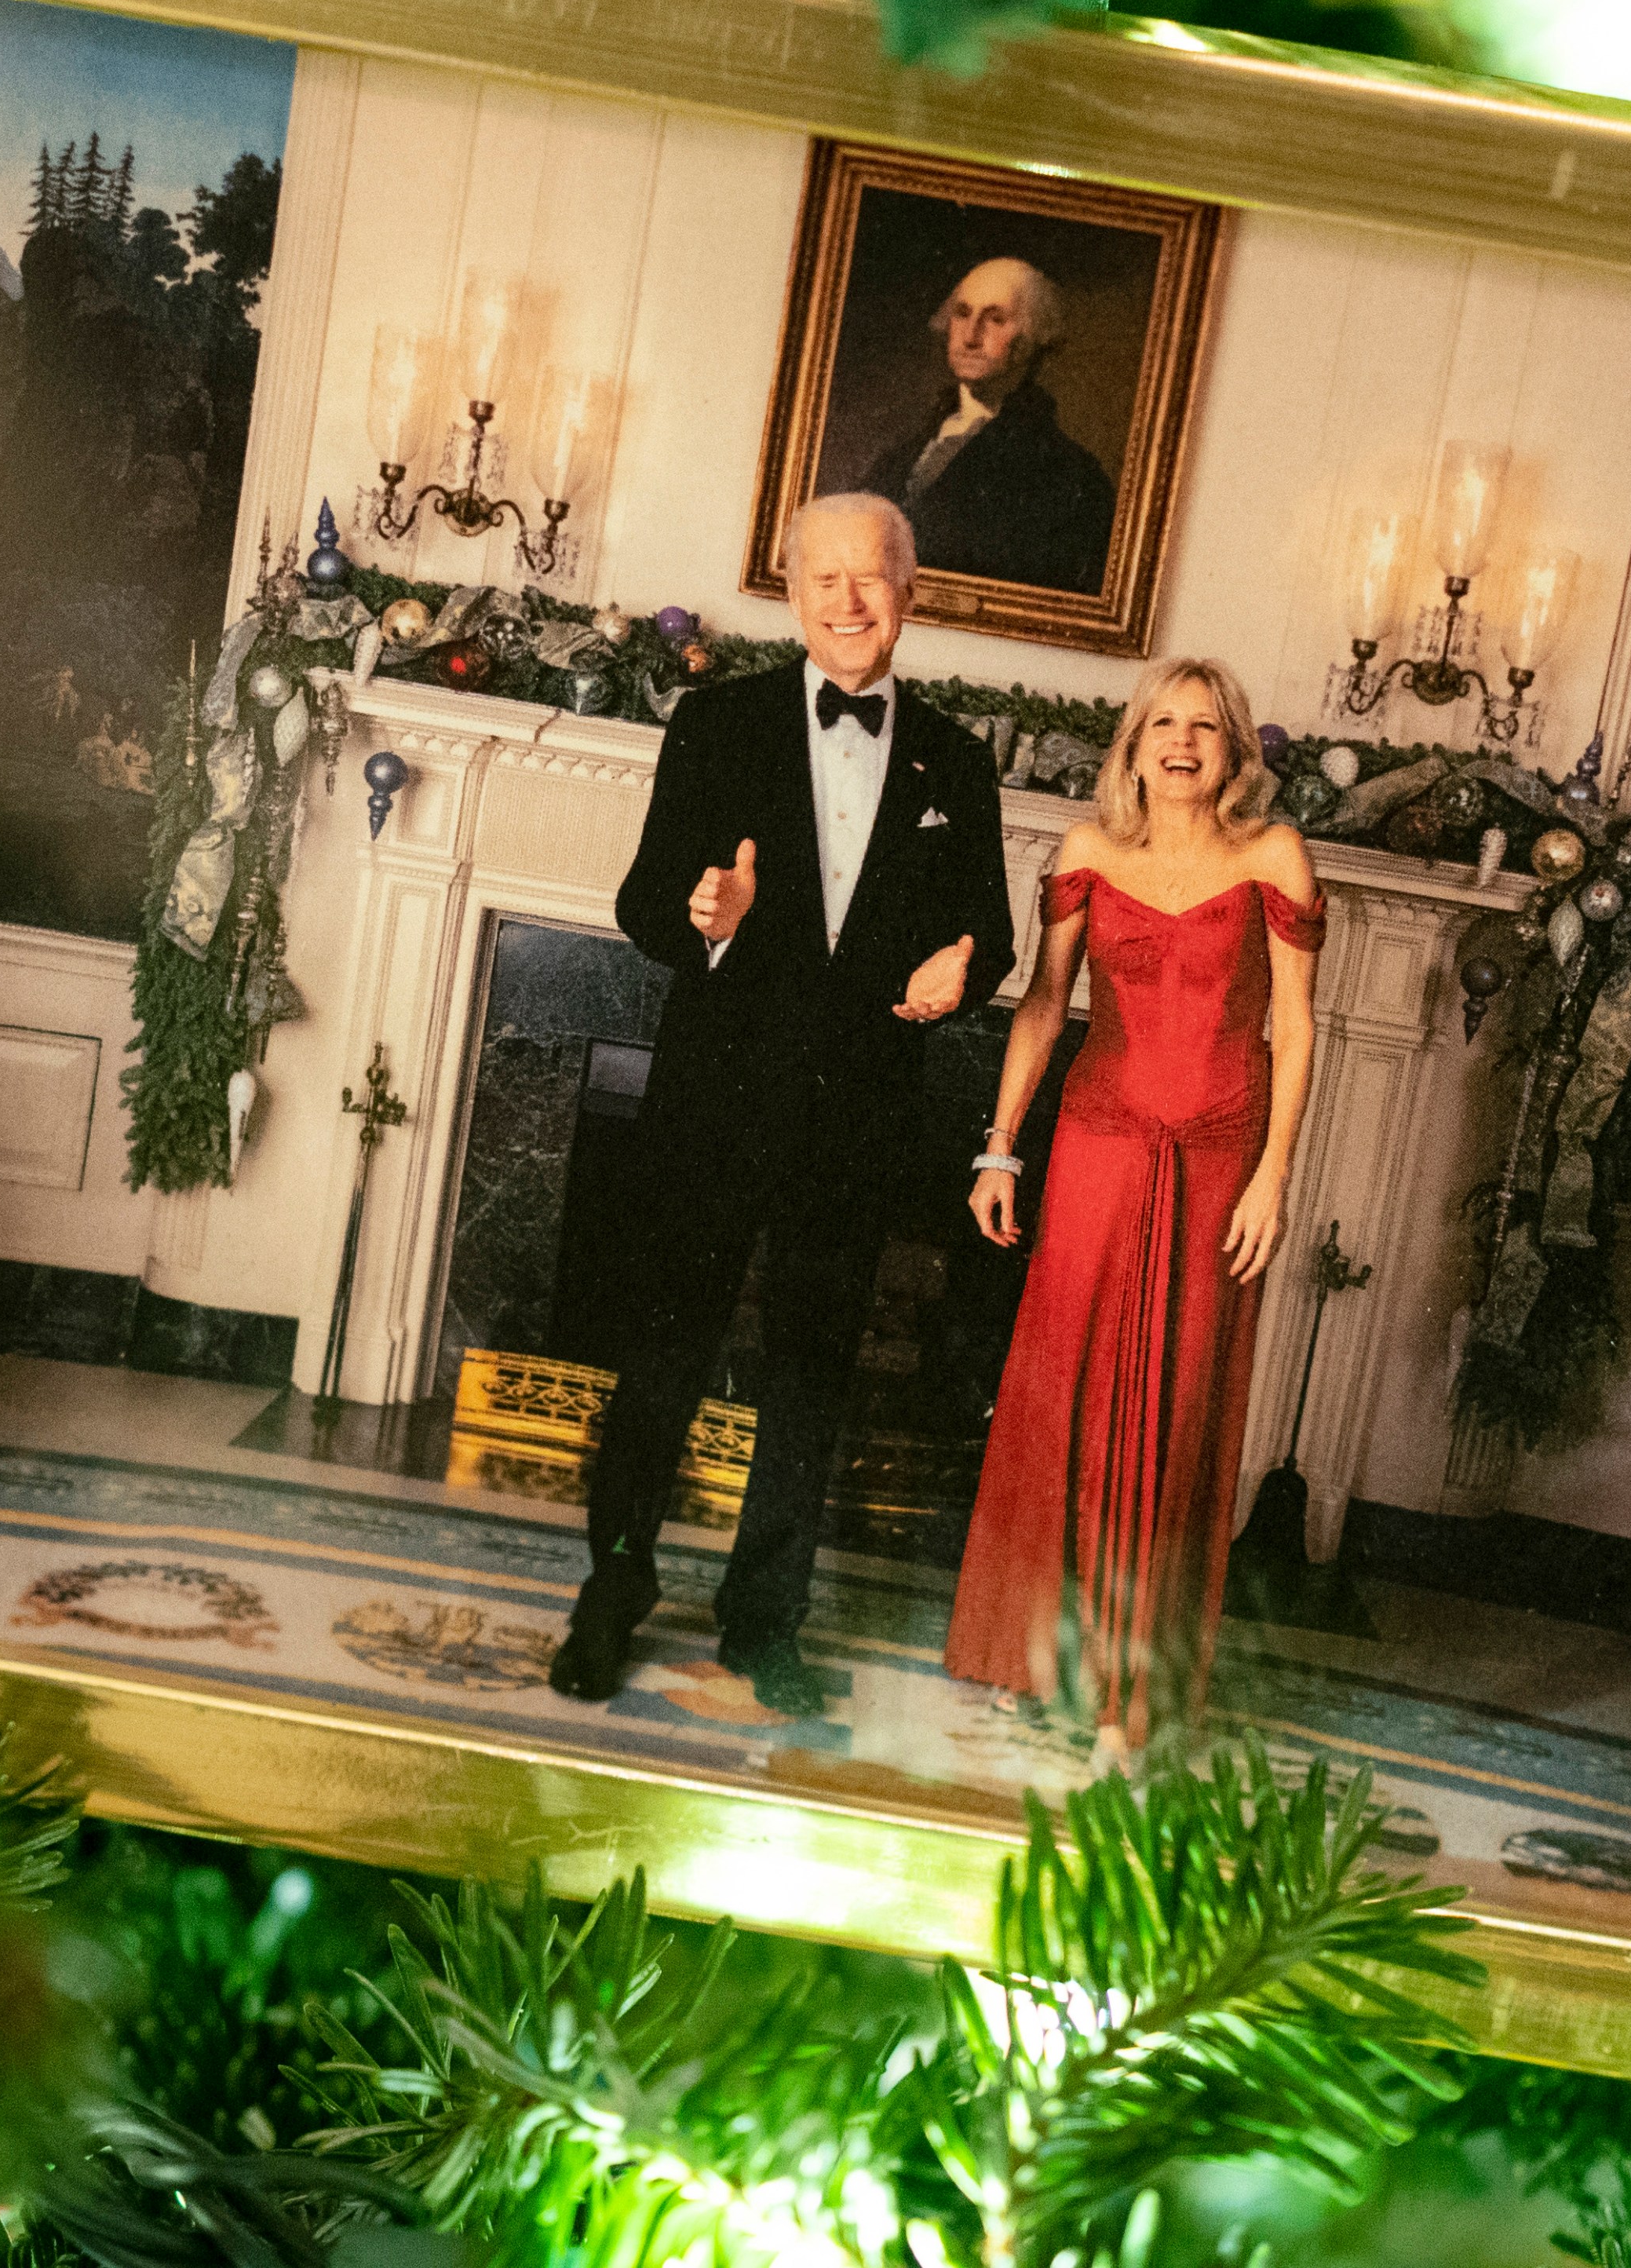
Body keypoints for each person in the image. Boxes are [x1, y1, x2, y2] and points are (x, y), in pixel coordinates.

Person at [553, 492, 1020, 1713]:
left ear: (908, 597)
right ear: (794, 595)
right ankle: (613, 1590)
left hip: (856, 1119)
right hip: (714, 1101)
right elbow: (647, 901)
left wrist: (958, 971)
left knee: (811, 1378)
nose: (849, 600)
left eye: (872, 579)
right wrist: (709, 917)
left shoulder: (958, 763)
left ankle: (767, 1619)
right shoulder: (718, 725)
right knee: (663, 1356)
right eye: (826, 580)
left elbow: (995, 940)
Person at [943, 658, 1322, 1755]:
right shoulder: (1088, 852)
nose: (1183, 742)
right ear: (1133, 742)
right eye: (1164, 722)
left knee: (1175, 1404)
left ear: (1234, 749)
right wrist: (1000, 1148)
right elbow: (1045, 1003)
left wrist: (1276, 1172)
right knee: (1065, 1391)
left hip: (1217, 1153)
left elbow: (1294, 1028)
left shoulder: (1272, 855)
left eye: (1206, 726)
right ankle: (1037, 1652)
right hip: (1098, 1141)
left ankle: (1126, 1695)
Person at [862, 255, 1118, 594]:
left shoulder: (1071, 476)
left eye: (995, 319)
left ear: (1034, 338)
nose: (970, 337)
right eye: (963, 314)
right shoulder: (904, 452)